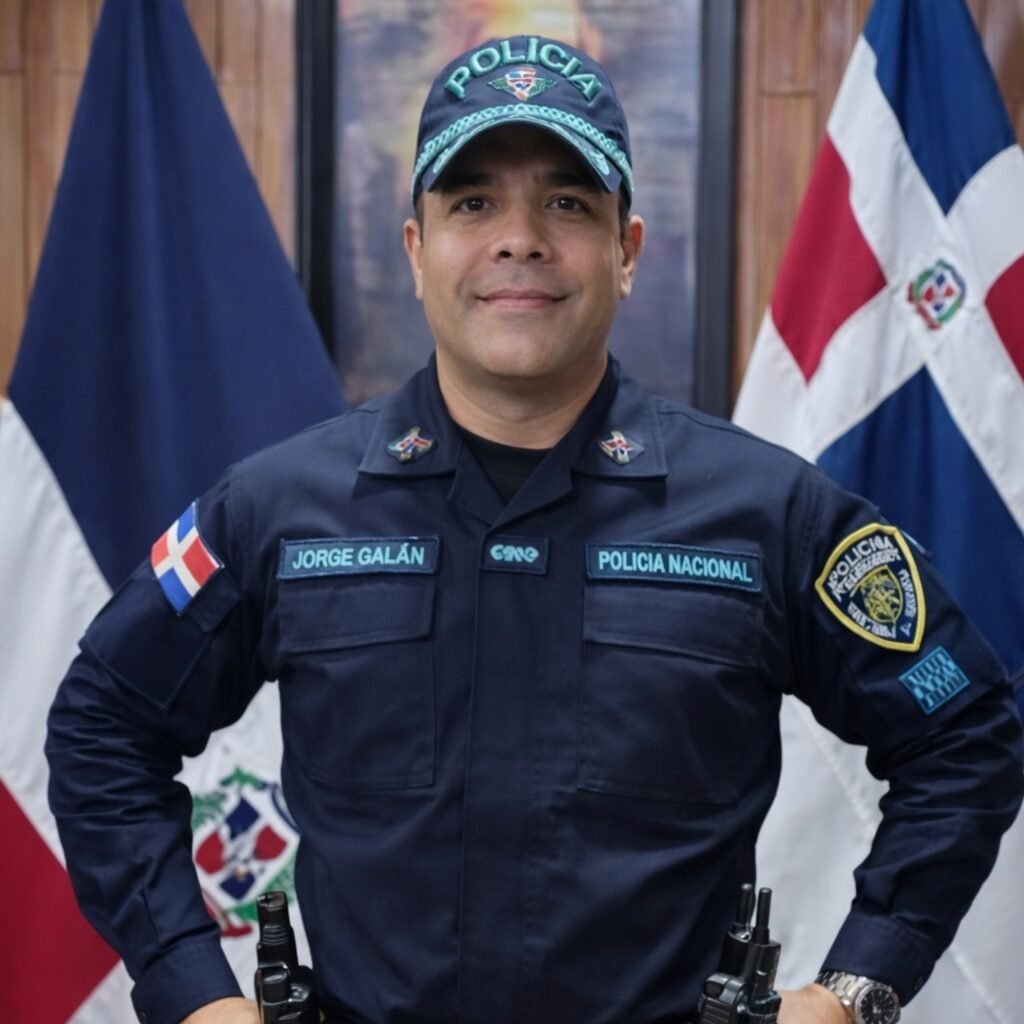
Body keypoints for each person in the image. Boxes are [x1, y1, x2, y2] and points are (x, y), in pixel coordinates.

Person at [46, 35, 1023, 1024]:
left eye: (566, 203)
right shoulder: (277, 509)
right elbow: (102, 724)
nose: (519, 239)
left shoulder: (770, 514)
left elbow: (966, 732)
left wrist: (855, 988)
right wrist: (191, 990)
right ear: (416, 249)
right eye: (473, 203)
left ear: (626, 251)